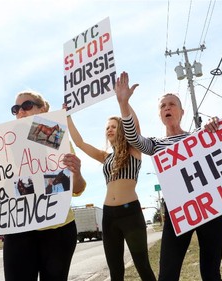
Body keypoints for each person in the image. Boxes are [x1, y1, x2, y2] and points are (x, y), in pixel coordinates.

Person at [0, 90, 86, 281]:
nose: (21, 112)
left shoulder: (55, 136)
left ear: (42, 109)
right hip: (19, 229)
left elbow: (77, 188)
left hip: (58, 229)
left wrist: (77, 172)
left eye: (27, 106)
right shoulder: (3, 143)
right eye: (16, 109)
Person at [116, 71, 222, 281]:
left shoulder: (200, 137)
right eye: (163, 106)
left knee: (211, 273)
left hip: (211, 205)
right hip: (178, 209)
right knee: (167, 273)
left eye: (172, 104)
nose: (167, 108)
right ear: (159, 115)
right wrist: (123, 103)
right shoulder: (155, 144)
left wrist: (214, 126)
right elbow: (132, 137)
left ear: (182, 111)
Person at [65, 72, 156, 281]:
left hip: (131, 212)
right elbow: (80, 143)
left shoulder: (134, 150)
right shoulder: (105, 156)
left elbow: (136, 127)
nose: (109, 130)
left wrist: (124, 102)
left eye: (114, 126)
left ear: (122, 130)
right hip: (109, 216)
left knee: (143, 267)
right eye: (107, 127)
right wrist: (67, 116)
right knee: (115, 272)